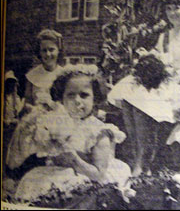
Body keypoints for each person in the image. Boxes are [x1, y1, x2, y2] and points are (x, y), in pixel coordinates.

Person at [5, 65, 135, 205]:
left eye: (84, 95)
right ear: (61, 98)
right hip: (55, 173)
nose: (77, 101)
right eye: (70, 95)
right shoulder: (57, 122)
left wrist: (74, 160)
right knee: (34, 182)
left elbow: (98, 174)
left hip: (87, 176)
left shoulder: (98, 130)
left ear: (95, 99)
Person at [108, 54, 180, 176]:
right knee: (131, 99)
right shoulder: (162, 39)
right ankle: (139, 162)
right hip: (154, 80)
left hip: (171, 84)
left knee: (143, 110)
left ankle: (142, 165)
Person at [24, 29, 64, 108]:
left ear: (58, 51)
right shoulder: (32, 75)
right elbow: (27, 103)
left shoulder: (63, 74)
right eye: (44, 50)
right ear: (39, 52)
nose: (48, 54)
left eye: (51, 49)